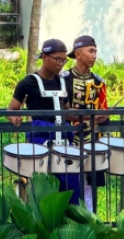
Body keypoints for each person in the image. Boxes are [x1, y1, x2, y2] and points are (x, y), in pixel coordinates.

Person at [7, 39, 80, 203]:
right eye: (58, 59)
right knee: (42, 191)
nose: (61, 64)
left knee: (71, 189)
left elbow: (67, 111)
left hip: (64, 144)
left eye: (64, 60)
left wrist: (90, 115)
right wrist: (14, 118)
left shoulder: (62, 82)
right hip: (41, 142)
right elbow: (11, 109)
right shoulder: (28, 82)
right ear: (44, 57)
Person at [61, 35, 108, 213]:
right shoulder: (63, 79)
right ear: (78, 54)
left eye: (95, 51)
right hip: (69, 139)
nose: (94, 55)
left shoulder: (99, 81)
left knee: (90, 185)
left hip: (92, 139)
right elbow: (60, 111)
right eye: (91, 51)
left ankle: (90, 220)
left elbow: (104, 107)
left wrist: (103, 117)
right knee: (69, 183)